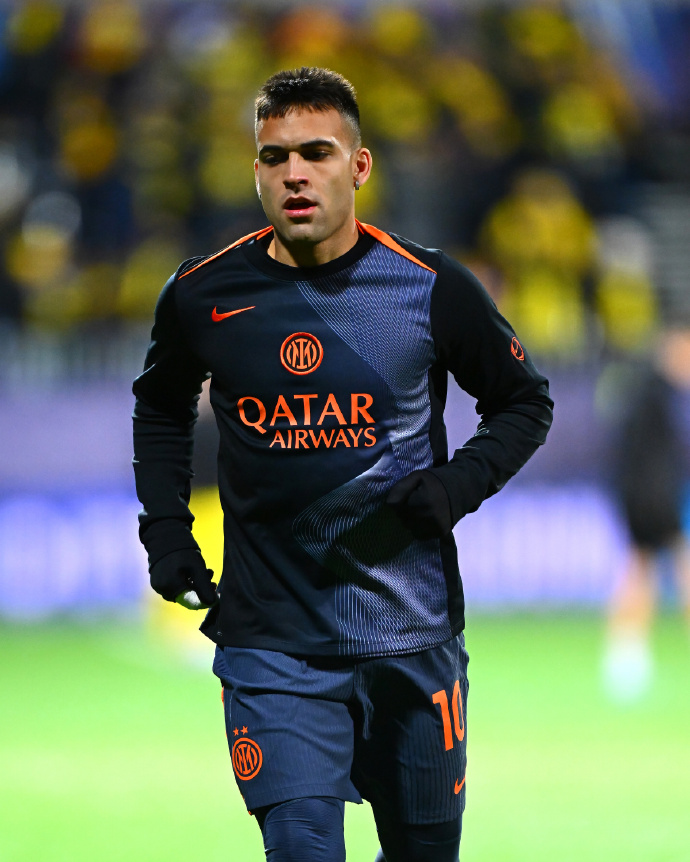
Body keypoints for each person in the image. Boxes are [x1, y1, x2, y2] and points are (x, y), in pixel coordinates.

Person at [132, 67, 553, 862]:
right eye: (275, 156)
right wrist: (166, 530)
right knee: (301, 846)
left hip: (409, 630)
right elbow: (159, 407)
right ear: (255, 169)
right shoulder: (202, 293)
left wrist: (458, 485)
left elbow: (524, 402)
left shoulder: (429, 287)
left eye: (316, 153)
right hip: (272, 640)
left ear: (358, 166)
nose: (294, 173)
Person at [603, 323, 690, 702]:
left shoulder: (644, 390)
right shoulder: (654, 394)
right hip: (652, 500)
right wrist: (656, 501)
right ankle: (624, 658)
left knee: (641, 570)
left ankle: (624, 657)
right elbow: (648, 460)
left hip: (640, 498)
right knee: (671, 569)